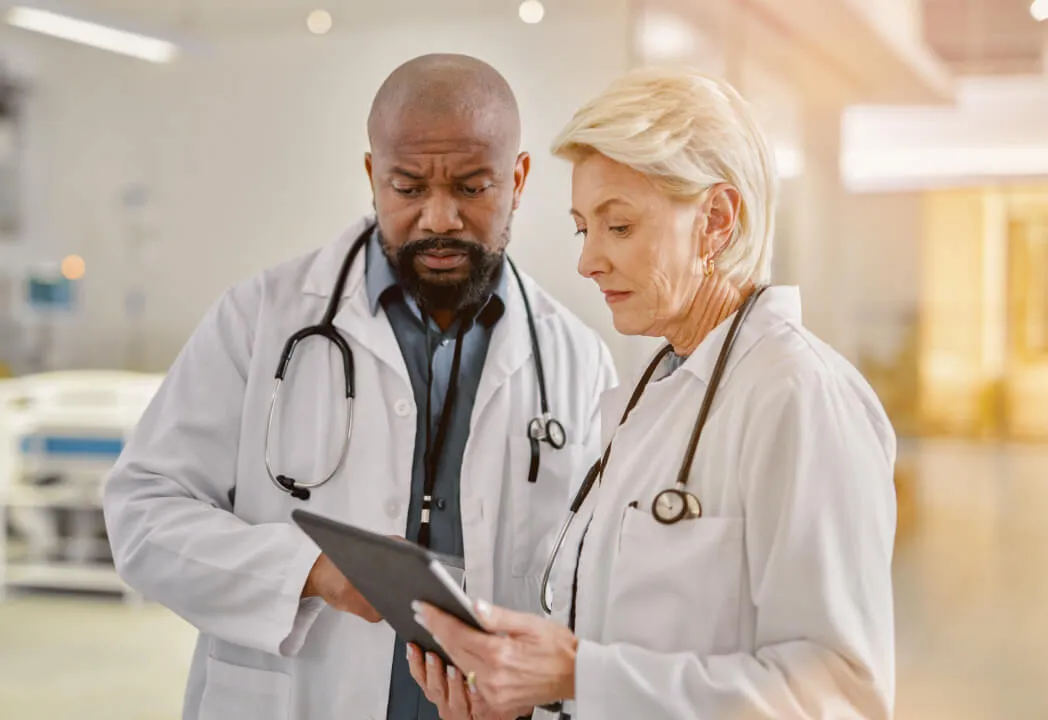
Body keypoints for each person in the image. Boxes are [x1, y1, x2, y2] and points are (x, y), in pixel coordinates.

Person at [102, 54, 617, 720]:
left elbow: (593, 586)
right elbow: (141, 514)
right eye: (407, 187)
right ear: (373, 175)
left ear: (517, 180)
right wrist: (309, 572)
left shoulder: (577, 359)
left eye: (471, 187)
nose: (439, 218)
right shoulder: (261, 318)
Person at [410, 67, 897, 719]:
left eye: (618, 226)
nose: (588, 261)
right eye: (585, 227)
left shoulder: (802, 396)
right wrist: (530, 700)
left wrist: (582, 675)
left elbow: (841, 694)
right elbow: (620, 648)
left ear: (717, 220)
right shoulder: (651, 391)